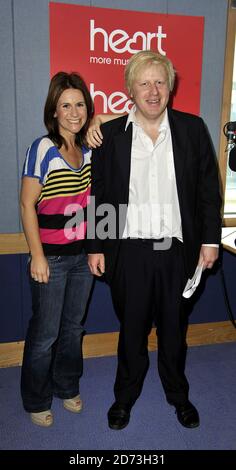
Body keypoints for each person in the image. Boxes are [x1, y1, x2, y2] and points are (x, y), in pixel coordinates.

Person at [87, 50, 222, 430]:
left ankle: (178, 396)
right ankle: (124, 398)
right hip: (128, 252)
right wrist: (96, 244)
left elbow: (209, 191)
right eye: (143, 82)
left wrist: (209, 241)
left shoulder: (192, 130)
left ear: (170, 87)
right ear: (129, 88)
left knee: (174, 333)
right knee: (130, 333)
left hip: (177, 253)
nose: (152, 90)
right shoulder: (110, 135)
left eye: (159, 82)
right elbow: (99, 193)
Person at [20, 71, 120, 427]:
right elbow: (26, 204)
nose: (73, 112)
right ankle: (36, 399)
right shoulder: (43, 148)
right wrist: (37, 255)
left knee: (73, 329)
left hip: (83, 255)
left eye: (80, 104)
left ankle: (66, 387)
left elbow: (131, 118)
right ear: (54, 110)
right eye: (66, 105)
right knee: (45, 334)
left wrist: (98, 118)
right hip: (52, 258)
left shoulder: (91, 146)